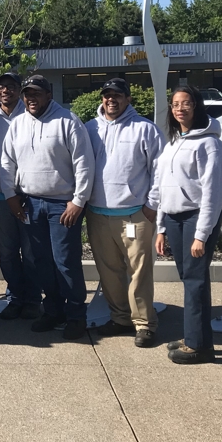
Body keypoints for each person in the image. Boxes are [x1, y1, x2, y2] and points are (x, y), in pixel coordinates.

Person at [0, 75, 95, 340]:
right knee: (41, 262)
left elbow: (84, 164)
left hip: (62, 206)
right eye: (28, 94)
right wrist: (10, 195)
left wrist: (78, 201)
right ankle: (53, 310)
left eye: (37, 94)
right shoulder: (18, 124)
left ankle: (76, 315)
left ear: (48, 95)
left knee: (65, 262)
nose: (31, 98)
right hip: (30, 203)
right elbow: (7, 162)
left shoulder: (68, 121)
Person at [85, 78, 164, 348]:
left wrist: (152, 205)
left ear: (128, 99)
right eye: (107, 95)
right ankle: (120, 318)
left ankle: (144, 324)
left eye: (117, 95)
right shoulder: (90, 128)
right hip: (97, 213)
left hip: (135, 214)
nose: (111, 100)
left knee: (139, 271)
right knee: (108, 272)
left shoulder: (145, 129)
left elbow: (160, 170)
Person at [154, 85, 222, 365]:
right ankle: (195, 338)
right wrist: (160, 227)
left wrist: (201, 235)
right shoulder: (173, 141)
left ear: (197, 106)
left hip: (197, 217)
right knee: (190, 280)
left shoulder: (210, 143)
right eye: (175, 104)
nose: (179, 108)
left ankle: (199, 347)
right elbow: (163, 187)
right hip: (174, 218)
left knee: (195, 282)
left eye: (186, 103)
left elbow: (213, 193)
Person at [0, 72, 41, 321]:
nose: (6, 91)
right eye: (2, 87)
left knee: (31, 251)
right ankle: (15, 297)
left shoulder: (30, 115)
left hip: (27, 194)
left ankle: (33, 299)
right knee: (6, 251)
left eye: (12, 87)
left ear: (19, 90)